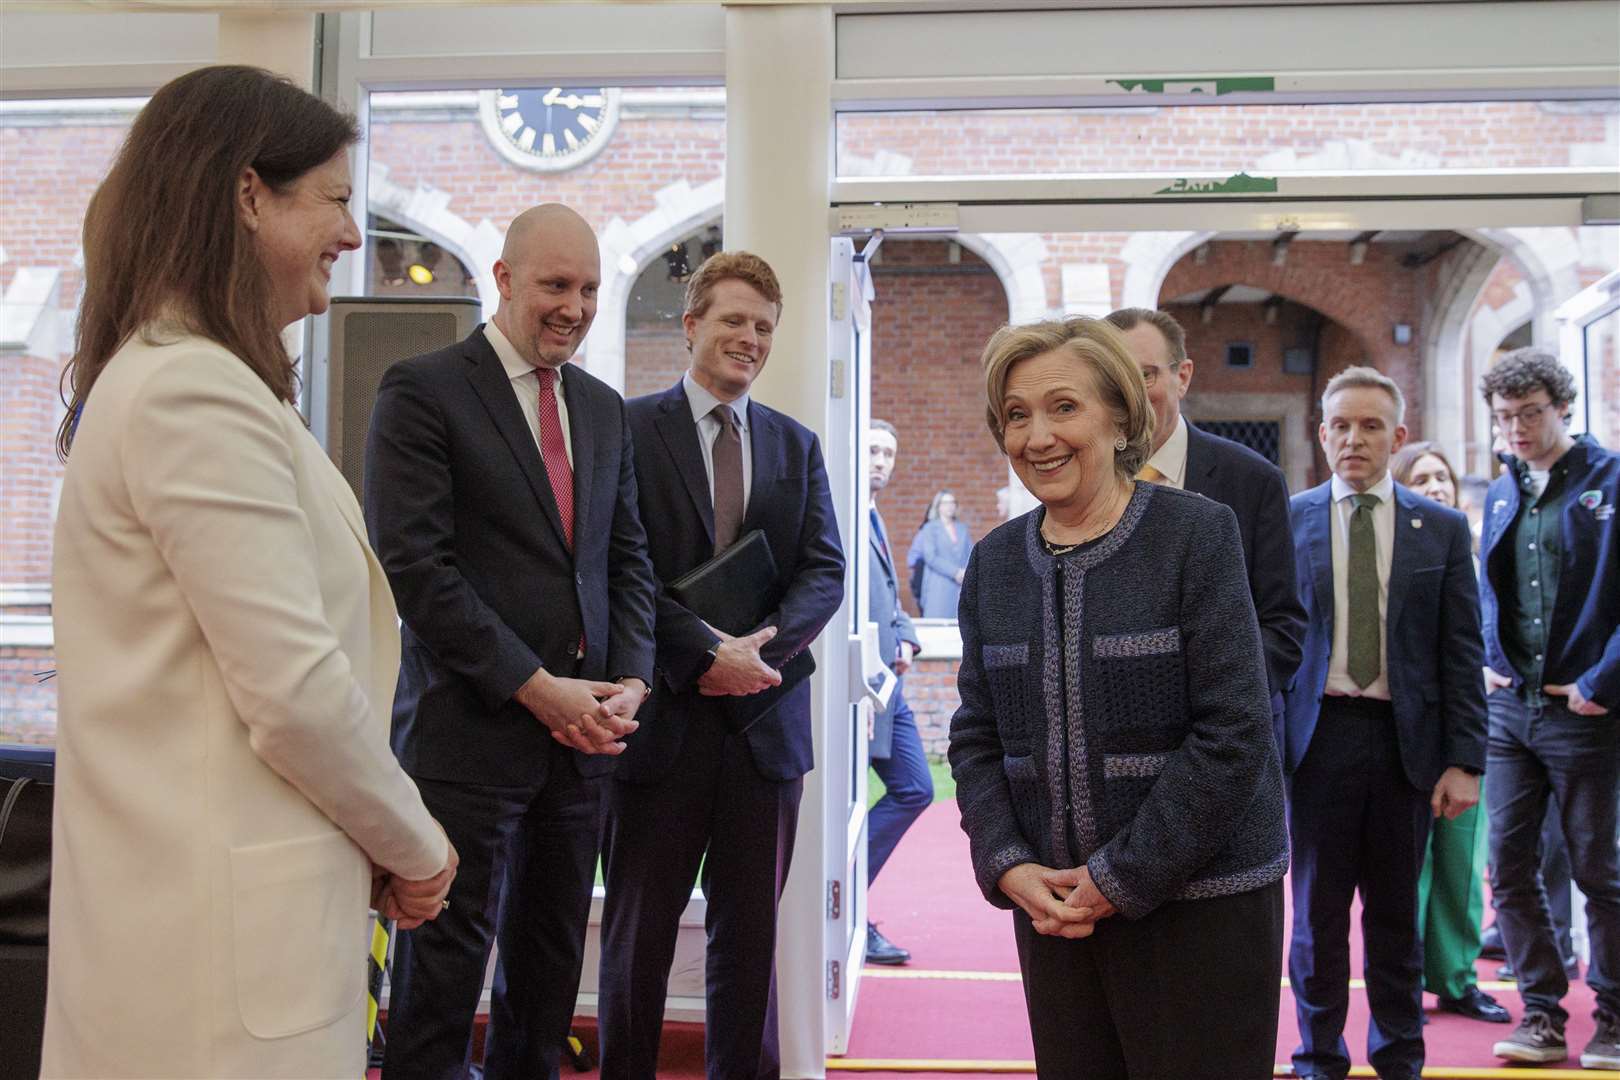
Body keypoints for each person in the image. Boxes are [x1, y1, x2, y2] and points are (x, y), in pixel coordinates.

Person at [43, 65, 455, 1079]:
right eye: (336, 201)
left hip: (212, 942)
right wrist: (417, 846)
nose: (354, 237)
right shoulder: (192, 391)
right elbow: (296, 691)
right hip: (212, 981)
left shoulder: (193, 380)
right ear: (246, 194)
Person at [949, 317, 1288, 1079]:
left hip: (1203, 909)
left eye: (1064, 407)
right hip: (1055, 914)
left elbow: (1234, 731)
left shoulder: (1197, 534)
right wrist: (1009, 865)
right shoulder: (995, 563)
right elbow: (975, 737)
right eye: (1016, 414)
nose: (1038, 435)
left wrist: (1117, 878)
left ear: (1118, 414)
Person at [365, 203, 658, 1080]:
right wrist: (537, 686)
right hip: (468, 739)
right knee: (441, 983)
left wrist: (631, 681)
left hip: (582, 748)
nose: (574, 306)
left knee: (547, 976)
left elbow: (627, 559)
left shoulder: (604, 411)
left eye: (590, 289)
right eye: (555, 285)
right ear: (502, 279)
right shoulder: (421, 390)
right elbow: (419, 571)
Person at [597, 251, 845, 1079]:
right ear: (692, 323)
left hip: (762, 733)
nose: (750, 338)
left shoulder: (796, 445)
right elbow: (613, 567)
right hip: (658, 726)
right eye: (734, 320)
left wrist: (755, 654)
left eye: (765, 327)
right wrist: (704, 653)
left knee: (752, 939)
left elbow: (824, 570)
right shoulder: (626, 431)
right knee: (640, 935)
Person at [1284, 366, 1486, 1080]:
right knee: (1316, 920)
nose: (1353, 439)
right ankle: (1317, 1058)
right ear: (1322, 433)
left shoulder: (1442, 529)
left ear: (1396, 437)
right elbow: (1266, 644)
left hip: (1408, 748)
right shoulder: (1289, 520)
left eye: (1371, 426)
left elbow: (1461, 652)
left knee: (1398, 920)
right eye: (1340, 425)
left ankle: (1401, 1058)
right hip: (1315, 744)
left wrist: (1466, 760)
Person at [1476, 348, 1620, 1069]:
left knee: (1598, 867)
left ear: (1562, 406)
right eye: (1505, 418)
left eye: (1530, 413)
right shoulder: (1502, 491)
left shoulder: (1610, 479)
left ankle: (1616, 1018)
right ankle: (1540, 1012)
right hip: (1511, 713)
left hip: (1584, 711)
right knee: (1507, 865)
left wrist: (1602, 681)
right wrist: (1486, 658)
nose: (1518, 429)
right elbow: (1486, 588)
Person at [1105, 306, 1306, 760]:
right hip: (1113, 748)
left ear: (1183, 376)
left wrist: (1214, 705)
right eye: (1114, 379)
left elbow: (1283, 627)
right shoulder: (1083, 482)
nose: (1131, 395)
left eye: (1147, 375)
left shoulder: (1252, 481)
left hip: (1226, 745)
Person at [1389, 441, 1509, 1025]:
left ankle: (1456, 978)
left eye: (1443, 477)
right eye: (1422, 476)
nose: (1435, 486)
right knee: (1408, 868)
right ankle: (1404, 977)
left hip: (1463, 725)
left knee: (1462, 864)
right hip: (1402, 730)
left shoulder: (1474, 544)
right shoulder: (1390, 545)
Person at [866, 420, 930, 965]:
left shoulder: (874, 517)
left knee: (916, 786)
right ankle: (844, 917)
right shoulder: (841, 514)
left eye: (889, 451)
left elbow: (889, 600)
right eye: (872, 450)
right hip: (859, 689)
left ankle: (839, 904)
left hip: (889, 685)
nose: (882, 460)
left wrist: (907, 636)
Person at [908, 490, 974, 618]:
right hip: (938, 585)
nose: (950, 506)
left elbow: (970, 553)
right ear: (938, 506)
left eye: (952, 502)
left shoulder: (962, 528)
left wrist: (966, 572)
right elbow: (930, 557)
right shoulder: (930, 528)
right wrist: (955, 572)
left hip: (960, 585)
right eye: (945, 503)